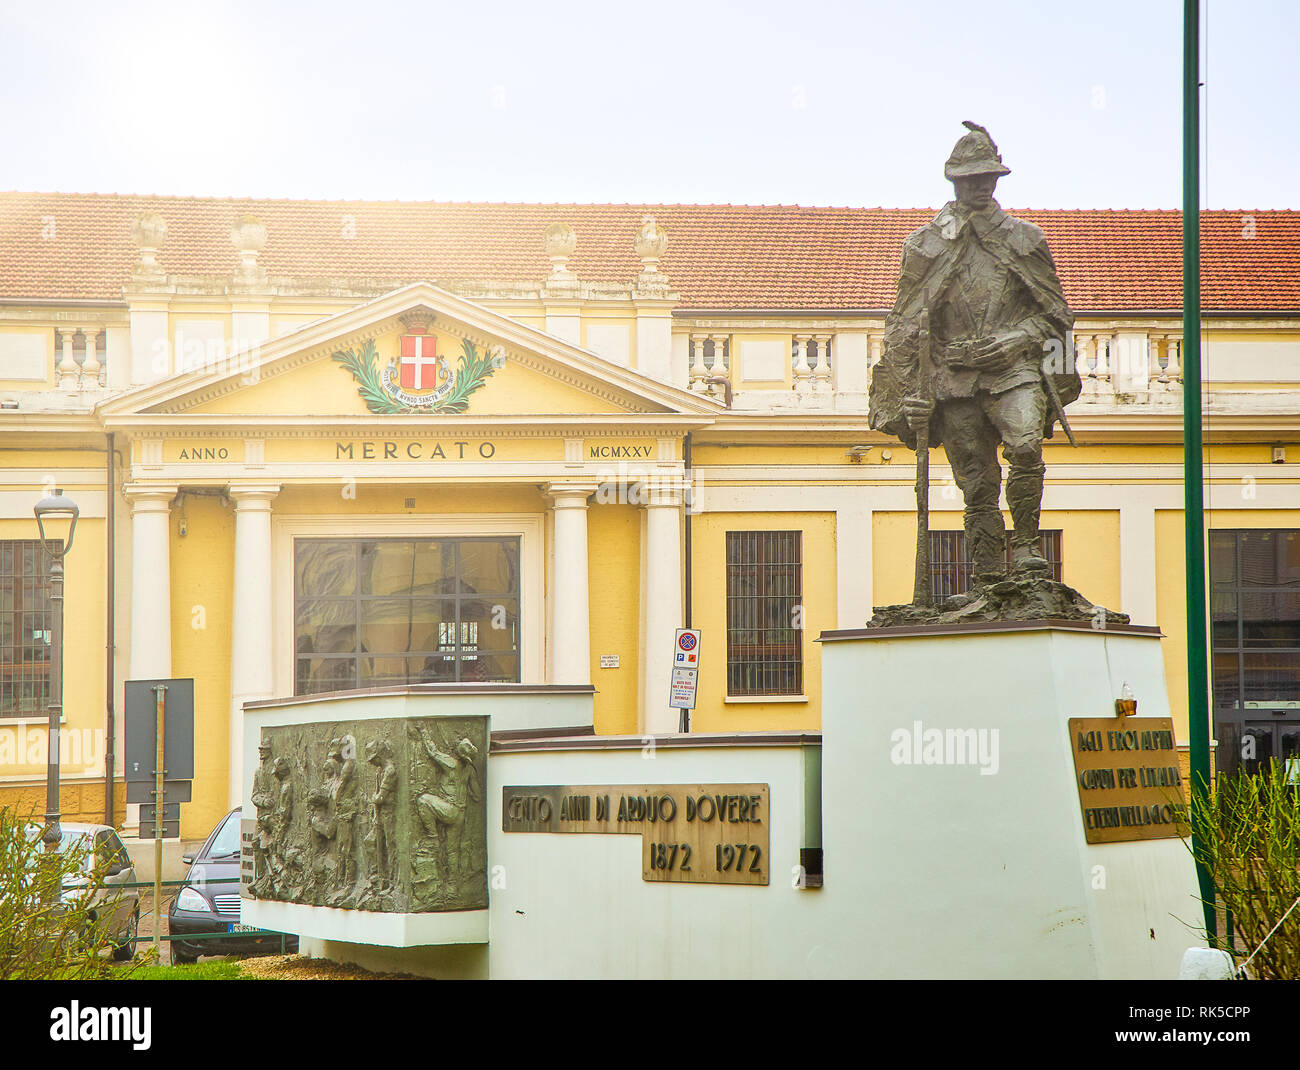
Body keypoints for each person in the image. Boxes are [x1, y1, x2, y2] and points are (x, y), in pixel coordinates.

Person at [869, 121, 1079, 589]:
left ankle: (1026, 547)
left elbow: (1056, 314)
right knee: (976, 483)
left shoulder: (1025, 239)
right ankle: (986, 572)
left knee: (1025, 447)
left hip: (1014, 370)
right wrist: (909, 396)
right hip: (953, 378)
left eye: (988, 176)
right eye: (970, 178)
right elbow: (903, 324)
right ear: (955, 181)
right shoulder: (925, 245)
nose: (980, 185)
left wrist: (1018, 338)